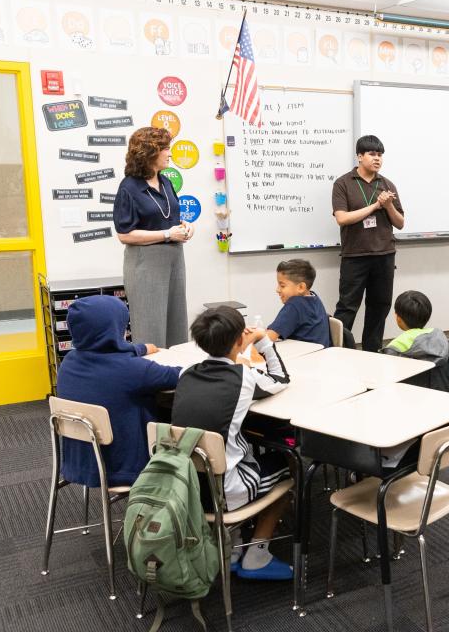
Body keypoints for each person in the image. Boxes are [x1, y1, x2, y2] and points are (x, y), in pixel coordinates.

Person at [171, 307, 293, 580]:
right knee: (289, 468)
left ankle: (231, 546)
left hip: (184, 485)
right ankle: (257, 555)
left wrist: (238, 348)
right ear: (240, 340)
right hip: (224, 492)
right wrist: (261, 340)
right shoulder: (244, 378)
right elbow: (281, 378)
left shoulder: (186, 374)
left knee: (230, 451)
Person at [57, 295, 181, 488]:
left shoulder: (69, 362)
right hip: (125, 467)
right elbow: (180, 376)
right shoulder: (132, 370)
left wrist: (139, 349)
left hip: (81, 463)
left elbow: (109, 352)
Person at [113, 126, 194, 348]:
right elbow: (125, 234)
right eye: (166, 149)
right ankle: (152, 378)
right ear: (149, 152)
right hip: (145, 263)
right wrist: (168, 234)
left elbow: (167, 217)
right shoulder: (129, 187)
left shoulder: (166, 182)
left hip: (174, 259)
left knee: (177, 324)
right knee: (150, 329)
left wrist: (184, 226)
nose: (170, 153)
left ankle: (175, 377)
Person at [331, 135, 405, 353]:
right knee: (347, 308)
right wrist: (375, 206)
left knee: (379, 307)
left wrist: (388, 205)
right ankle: (338, 352)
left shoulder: (387, 184)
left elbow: (400, 223)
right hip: (355, 256)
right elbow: (342, 218)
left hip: (384, 255)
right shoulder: (343, 183)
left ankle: (372, 354)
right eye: (372, 154)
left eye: (380, 155)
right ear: (359, 156)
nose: (377, 159)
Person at [383, 290, 449, 392]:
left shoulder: (395, 346)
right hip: (443, 398)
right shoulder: (439, 337)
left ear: (398, 318)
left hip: (407, 400)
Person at [266, 259, 331, 348]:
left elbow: (268, 338)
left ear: (301, 287)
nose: (277, 290)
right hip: (321, 354)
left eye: (282, 286)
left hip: (304, 357)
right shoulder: (314, 298)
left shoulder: (295, 305)